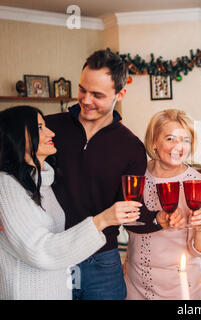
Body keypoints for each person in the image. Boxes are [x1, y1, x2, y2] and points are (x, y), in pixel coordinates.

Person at [0, 106, 141, 299]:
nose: (51, 132)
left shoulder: (44, 183)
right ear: (14, 136)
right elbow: (39, 250)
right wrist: (102, 220)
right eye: (39, 127)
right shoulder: (7, 184)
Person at [45, 49, 150, 300]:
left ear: (120, 94)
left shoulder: (132, 147)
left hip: (101, 261)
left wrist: (164, 219)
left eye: (97, 95)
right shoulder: (48, 127)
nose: (86, 99)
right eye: (83, 89)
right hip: (51, 254)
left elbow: (132, 208)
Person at [125, 109, 201, 299]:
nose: (179, 147)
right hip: (135, 282)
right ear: (154, 142)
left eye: (186, 140)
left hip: (180, 286)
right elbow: (127, 222)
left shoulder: (197, 183)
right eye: (171, 139)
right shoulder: (136, 175)